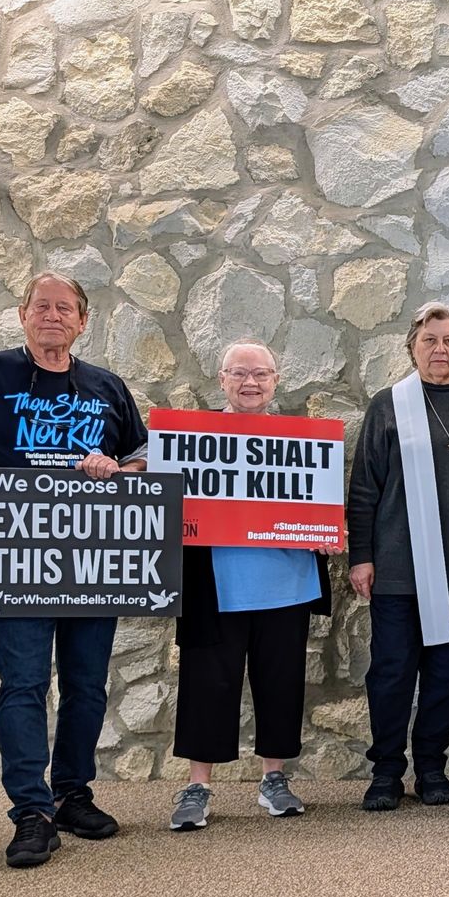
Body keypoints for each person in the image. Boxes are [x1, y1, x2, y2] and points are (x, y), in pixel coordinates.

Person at [0, 272, 148, 867]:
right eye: (42, 306)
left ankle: (72, 793)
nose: (53, 316)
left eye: (65, 309)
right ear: (23, 315)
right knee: (24, 685)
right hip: (14, 556)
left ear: (83, 322)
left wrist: (120, 472)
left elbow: (139, 456)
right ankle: (30, 811)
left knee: (87, 684)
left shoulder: (107, 385)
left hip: (94, 557)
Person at [168, 341, 336, 832]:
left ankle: (274, 778)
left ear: (276, 381)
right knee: (205, 685)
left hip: (287, 586)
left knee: (280, 685)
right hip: (214, 587)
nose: (250, 383)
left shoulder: (302, 442)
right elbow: (166, 498)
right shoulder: (192, 439)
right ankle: (198, 785)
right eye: (240, 373)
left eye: (261, 374)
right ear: (221, 380)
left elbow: (320, 507)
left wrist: (325, 534)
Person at [347, 302, 449, 812]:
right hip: (397, 569)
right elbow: (364, 487)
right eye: (429, 340)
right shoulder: (387, 406)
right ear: (412, 347)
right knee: (391, 673)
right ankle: (387, 770)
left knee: (447, 673)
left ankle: (431, 766)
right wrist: (361, 556)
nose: (440, 349)